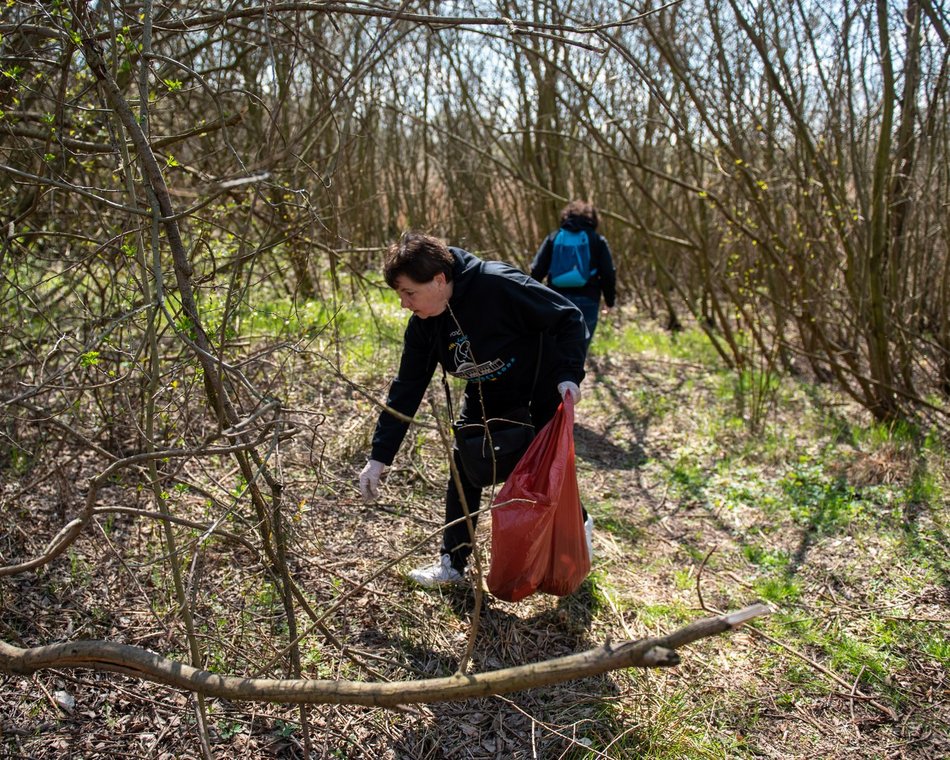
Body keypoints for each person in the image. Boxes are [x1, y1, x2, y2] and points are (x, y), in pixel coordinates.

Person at [358, 231, 592, 587]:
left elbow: (568, 317)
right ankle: (452, 564)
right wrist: (379, 457)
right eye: (400, 294)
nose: (404, 304)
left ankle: (576, 539)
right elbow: (406, 389)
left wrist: (568, 374)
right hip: (486, 394)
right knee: (464, 468)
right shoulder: (425, 324)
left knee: (546, 477)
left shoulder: (498, 285)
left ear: (439, 280)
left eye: (409, 293)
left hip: (539, 392)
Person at [530, 200, 617, 355]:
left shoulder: (554, 237)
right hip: (588, 302)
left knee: (553, 351)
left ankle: (550, 378)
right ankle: (570, 378)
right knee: (577, 354)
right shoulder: (597, 240)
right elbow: (608, 273)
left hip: (555, 300)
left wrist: (532, 299)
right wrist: (609, 301)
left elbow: (536, 270)